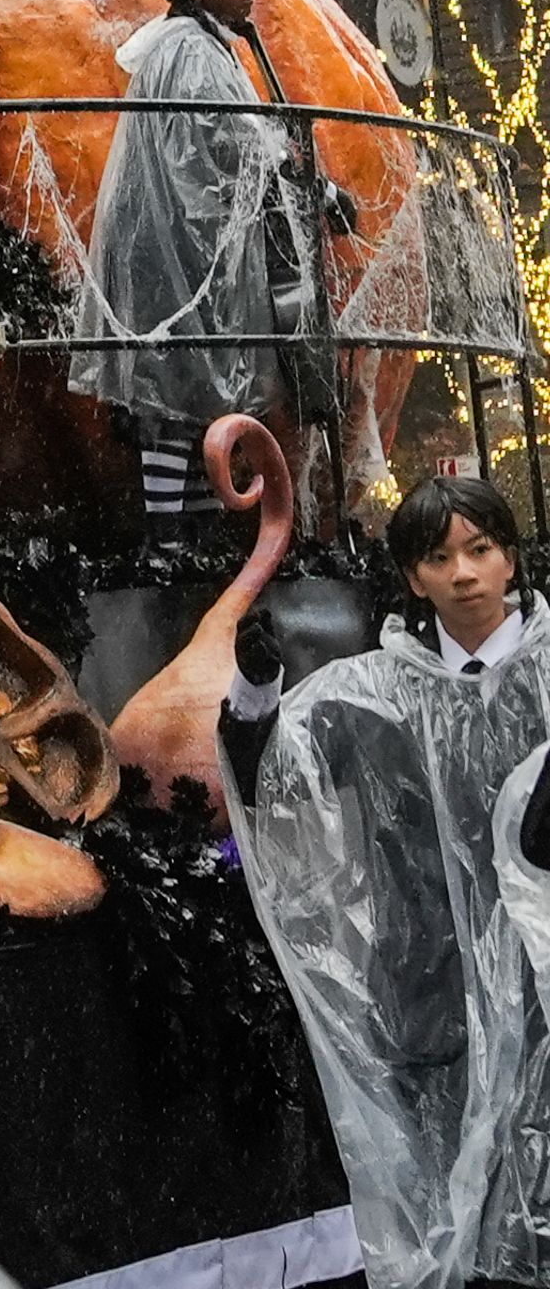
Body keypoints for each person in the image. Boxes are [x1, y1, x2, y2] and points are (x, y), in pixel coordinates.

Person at [222, 474, 550, 1289]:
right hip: (427, 988)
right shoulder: (373, 696)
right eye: (439, 556)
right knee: (449, 1221)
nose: (465, 573)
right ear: (412, 577)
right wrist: (255, 689)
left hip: (544, 988)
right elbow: (269, 778)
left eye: (480, 549)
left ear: (512, 558)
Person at [72, 0, 354, 538]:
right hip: (177, 257)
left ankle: (191, 542)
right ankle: (171, 543)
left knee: (195, 401)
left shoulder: (192, 48)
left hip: (183, 250)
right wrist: (319, 190)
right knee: (176, 396)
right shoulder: (192, 53)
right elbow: (229, 146)